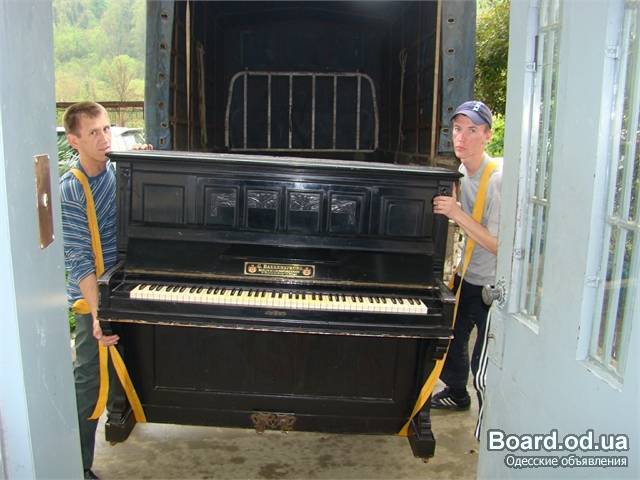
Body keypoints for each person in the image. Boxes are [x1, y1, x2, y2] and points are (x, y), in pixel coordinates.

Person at [60, 101, 151, 479]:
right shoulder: (71, 189)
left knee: (126, 365)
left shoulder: (116, 173)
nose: (104, 138)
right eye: (93, 132)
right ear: (74, 140)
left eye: (106, 129)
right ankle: (77, 466)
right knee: (89, 382)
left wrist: (147, 163)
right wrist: (99, 314)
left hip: (122, 287)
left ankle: (121, 415)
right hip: (92, 298)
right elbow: (80, 260)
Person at [430, 100, 501, 437]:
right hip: (466, 274)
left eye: (472, 130)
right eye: (458, 129)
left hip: (493, 284)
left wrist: (456, 212)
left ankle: (492, 433)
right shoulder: (461, 173)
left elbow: (498, 245)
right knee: (451, 338)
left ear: (487, 136)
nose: (462, 137)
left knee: (483, 363)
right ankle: (457, 393)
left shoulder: (497, 180)